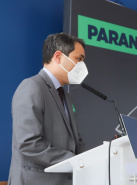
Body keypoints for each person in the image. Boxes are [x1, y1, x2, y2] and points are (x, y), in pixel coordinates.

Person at [7, 33, 88, 185]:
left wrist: (94, 160)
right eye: (79, 59)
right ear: (58, 57)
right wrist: (74, 161)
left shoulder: (66, 97)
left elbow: (77, 141)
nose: (82, 65)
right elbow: (28, 143)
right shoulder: (32, 86)